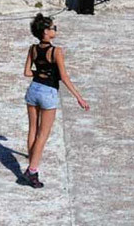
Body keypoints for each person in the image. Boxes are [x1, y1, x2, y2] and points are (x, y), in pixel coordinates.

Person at [22, 13, 89, 188]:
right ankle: (32, 171)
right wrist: (79, 98)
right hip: (48, 93)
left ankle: (31, 163)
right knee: (43, 135)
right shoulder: (56, 51)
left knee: (32, 130)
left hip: (33, 89)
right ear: (45, 32)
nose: (55, 30)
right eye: (53, 28)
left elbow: (27, 72)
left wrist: (40, 73)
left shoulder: (32, 49)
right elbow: (64, 77)